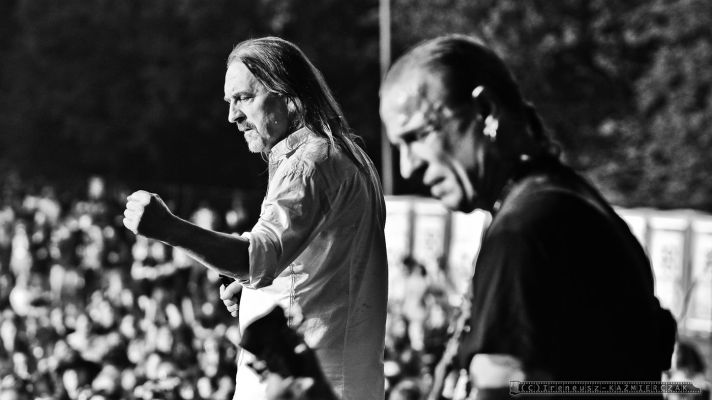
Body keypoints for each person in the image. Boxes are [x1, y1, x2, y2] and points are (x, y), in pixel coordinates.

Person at [379, 34, 677, 399]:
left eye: (416, 137)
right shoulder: (564, 203)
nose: (407, 167)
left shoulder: (525, 230)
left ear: (485, 111)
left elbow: (503, 388)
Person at [123, 36, 388, 400]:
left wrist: (168, 228)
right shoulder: (343, 155)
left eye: (244, 98)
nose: (232, 115)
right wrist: (254, 294)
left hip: (303, 387)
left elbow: (254, 260)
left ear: (290, 97)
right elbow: (323, 267)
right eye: (229, 101)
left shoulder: (307, 166)